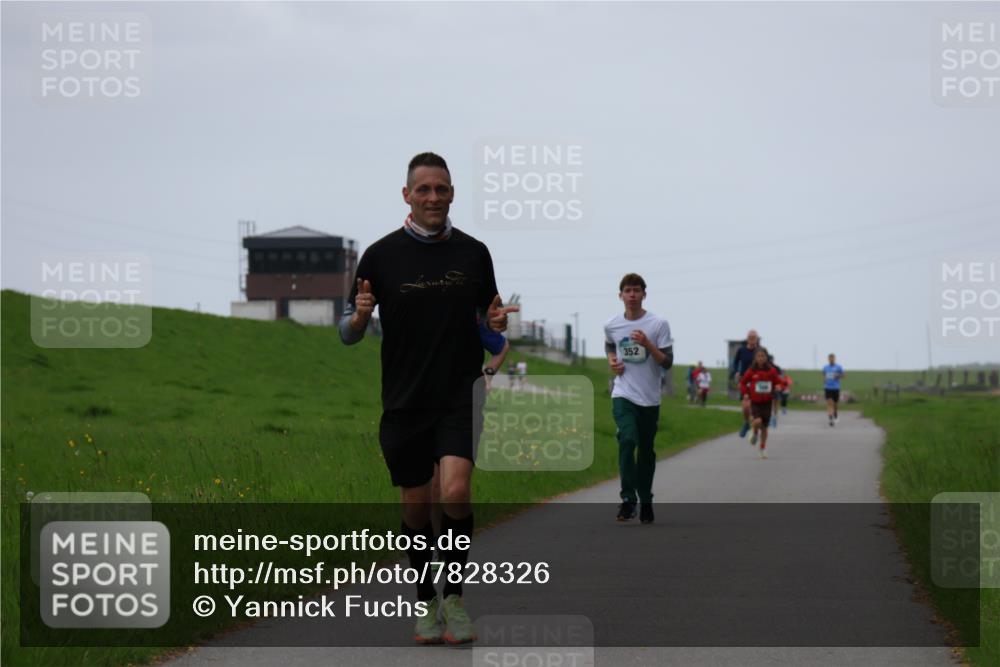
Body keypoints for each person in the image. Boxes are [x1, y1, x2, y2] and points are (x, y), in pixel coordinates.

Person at [339, 152, 517, 645]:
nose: (433, 197)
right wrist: (360, 317)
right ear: (407, 195)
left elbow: (488, 322)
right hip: (404, 400)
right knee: (416, 508)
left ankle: (454, 598)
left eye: (441, 188)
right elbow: (348, 333)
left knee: (455, 492)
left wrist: (495, 323)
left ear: (452, 193)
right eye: (424, 189)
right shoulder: (379, 256)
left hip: (459, 394)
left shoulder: (475, 253)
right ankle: (425, 601)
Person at [604, 273, 674, 524]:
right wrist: (612, 360)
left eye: (636, 290)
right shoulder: (612, 324)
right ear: (620, 295)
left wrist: (647, 344)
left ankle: (646, 500)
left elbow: (667, 362)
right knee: (627, 439)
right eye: (627, 290)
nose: (632, 295)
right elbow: (610, 344)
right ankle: (627, 499)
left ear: (644, 294)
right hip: (624, 392)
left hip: (650, 398)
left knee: (645, 451)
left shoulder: (658, 324)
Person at [740, 347, 784, 459]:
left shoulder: (771, 371)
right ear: (755, 358)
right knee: (757, 421)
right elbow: (743, 383)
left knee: (764, 427)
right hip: (755, 402)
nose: (761, 358)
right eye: (758, 356)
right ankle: (754, 432)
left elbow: (779, 382)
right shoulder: (751, 371)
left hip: (767, 403)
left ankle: (762, 447)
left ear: (766, 358)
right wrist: (745, 393)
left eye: (763, 356)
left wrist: (779, 386)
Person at [730, 329, 761, 438]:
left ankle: (755, 433)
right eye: (750, 337)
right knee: (746, 407)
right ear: (747, 339)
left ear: (757, 339)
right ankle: (747, 423)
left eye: (754, 337)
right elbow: (735, 363)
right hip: (745, 381)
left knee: (756, 409)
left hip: (758, 382)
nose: (752, 339)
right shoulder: (741, 350)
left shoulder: (760, 351)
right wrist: (736, 372)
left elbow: (767, 363)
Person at [822, 353, 845, 427]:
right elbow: (824, 376)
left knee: (835, 404)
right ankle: (830, 418)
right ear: (828, 359)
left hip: (836, 388)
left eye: (832, 358)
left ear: (835, 359)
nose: (831, 360)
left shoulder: (838, 367)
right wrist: (824, 380)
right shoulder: (825, 367)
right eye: (830, 358)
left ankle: (835, 414)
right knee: (829, 402)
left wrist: (837, 375)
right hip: (828, 388)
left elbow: (843, 375)